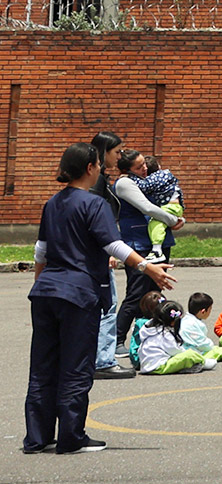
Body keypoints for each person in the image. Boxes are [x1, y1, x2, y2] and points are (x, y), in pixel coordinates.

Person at [23, 143, 175, 455]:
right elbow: (113, 244)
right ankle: (71, 437)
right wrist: (148, 267)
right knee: (76, 366)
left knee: (43, 365)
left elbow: (41, 251)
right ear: (91, 168)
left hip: (46, 292)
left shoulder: (53, 203)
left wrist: (44, 283)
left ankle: (36, 438)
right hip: (78, 293)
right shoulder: (94, 204)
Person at [114, 149, 185, 357]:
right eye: (138, 167)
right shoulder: (125, 183)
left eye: (144, 163)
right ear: (127, 169)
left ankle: (153, 334)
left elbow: (170, 202)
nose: (144, 168)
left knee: (155, 293)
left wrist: (178, 218)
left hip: (159, 242)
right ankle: (117, 340)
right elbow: (147, 208)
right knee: (136, 293)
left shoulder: (153, 179)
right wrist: (172, 221)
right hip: (139, 244)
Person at [89, 131, 135, 379]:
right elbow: (95, 219)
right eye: (117, 152)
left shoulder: (100, 179)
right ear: (104, 150)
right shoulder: (96, 183)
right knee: (107, 306)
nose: (120, 157)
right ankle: (103, 361)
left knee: (103, 305)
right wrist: (107, 249)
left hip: (101, 248)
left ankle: (95, 358)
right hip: (101, 251)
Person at [138, 300, 216, 374]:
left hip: (146, 365)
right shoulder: (165, 334)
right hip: (159, 367)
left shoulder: (149, 329)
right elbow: (175, 351)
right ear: (173, 322)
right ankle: (204, 362)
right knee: (189, 355)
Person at [133, 155, 185, 264]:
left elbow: (144, 186)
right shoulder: (166, 176)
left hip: (168, 210)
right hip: (174, 208)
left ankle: (157, 250)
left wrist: (131, 178)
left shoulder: (154, 180)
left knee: (155, 224)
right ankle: (157, 249)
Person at [181, 292, 222, 361]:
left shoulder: (187, 320)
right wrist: (211, 345)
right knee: (218, 352)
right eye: (210, 309)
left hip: (197, 349)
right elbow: (202, 344)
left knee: (221, 343)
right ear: (203, 311)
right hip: (196, 352)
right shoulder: (191, 324)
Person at [128, 291, 166, 371]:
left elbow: (134, 344)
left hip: (140, 359)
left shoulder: (139, 322)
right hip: (158, 357)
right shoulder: (164, 322)